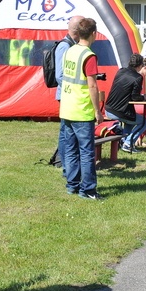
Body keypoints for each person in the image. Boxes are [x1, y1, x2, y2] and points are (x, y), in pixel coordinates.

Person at [60, 17, 104, 200]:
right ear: (94, 33)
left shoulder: (70, 50)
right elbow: (92, 86)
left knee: (70, 150)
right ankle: (88, 189)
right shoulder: (88, 55)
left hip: (67, 107)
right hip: (81, 109)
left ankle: (72, 185)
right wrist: (98, 110)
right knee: (86, 152)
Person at [104, 54, 146, 153]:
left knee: (131, 120)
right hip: (120, 111)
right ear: (140, 66)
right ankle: (128, 143)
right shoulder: (138, 77)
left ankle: (123, 141)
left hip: (108, 108)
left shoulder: (120, 71)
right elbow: (135, 98)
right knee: (144, 122)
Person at [51, 16, 82, 169]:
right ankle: (62, 161)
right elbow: (60, 75)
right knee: (65, 129)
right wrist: (74, 89)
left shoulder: (73, 44)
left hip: (69, 93)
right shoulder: (65, 46)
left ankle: (63, 160)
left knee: (67, 129)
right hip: (66, 94)